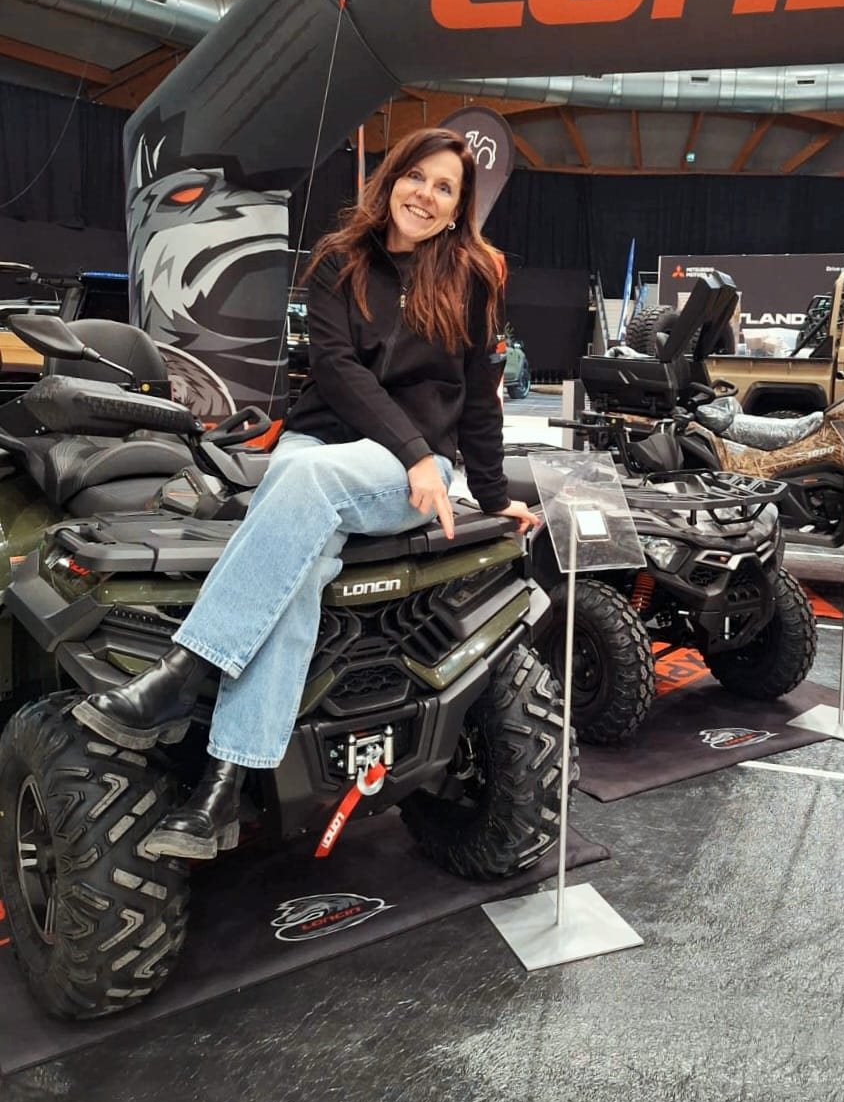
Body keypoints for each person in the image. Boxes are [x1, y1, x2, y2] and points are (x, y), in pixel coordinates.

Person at [74, 127, 538, 859]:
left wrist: (483, 486)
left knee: (302, 482)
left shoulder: (474, 278)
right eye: (416, 176)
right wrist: (414, 450)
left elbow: (479, 397)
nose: (426, 194)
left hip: (404, 472)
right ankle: (221, 791)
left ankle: (185, 671)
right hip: (323, 444)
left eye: (445, 187)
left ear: (458, 208)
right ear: (392, 179)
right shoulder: (337, 261)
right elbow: (337, 371)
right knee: (303, 559)